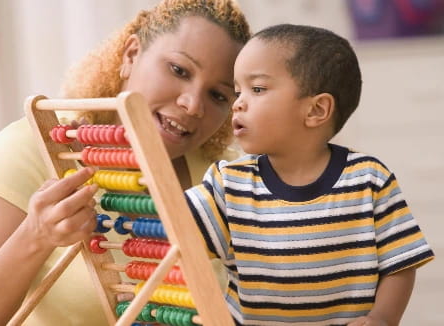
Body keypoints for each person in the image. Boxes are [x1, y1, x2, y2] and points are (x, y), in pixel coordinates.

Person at [0, 1, 251, 325]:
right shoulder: (32, 151)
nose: (192, 104)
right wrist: (36, 236)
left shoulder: (228, 180)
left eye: (218, 95)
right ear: (131, 55)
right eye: (179, 70)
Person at [184, 24, 435, 326]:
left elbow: (400, 264)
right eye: (238, 91)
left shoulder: (370, 180)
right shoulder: (228, 184)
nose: (238, 102)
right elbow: (174, 230)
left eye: (258, 89)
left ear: (317, 110)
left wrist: (382, 318)